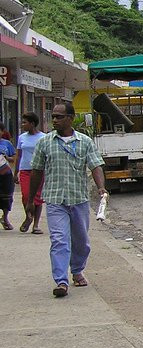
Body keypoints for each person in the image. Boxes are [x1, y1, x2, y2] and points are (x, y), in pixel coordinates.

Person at [28, 103, 107, 298]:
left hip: (79, 199)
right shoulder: (45, 143)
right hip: (55, 200)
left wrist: (101, 187)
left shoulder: (85, 142)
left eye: (59, 116)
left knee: (81, 241)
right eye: (53, 116)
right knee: (59, 240)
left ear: (70, 118)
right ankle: (61, 281)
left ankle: (77, 269)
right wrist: (31, 199)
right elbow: (37, 171)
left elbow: (96, 166)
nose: (54, 119)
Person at [15, 112, 46, 233]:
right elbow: (19, 155)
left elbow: (47, 155)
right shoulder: (22, 137)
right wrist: (16, 172)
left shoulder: (43, 137)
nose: (23, 125)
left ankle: (36, 225)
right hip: (25, 170)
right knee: (26, 196)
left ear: (32, 124)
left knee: (37, 198)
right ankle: (28, 216)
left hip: (38, 170)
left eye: (25, 122)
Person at [0, 133, 14, 230]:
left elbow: (13, 158)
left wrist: (7, 158)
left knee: (7, 197)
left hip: (6, 174)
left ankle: (5, 218)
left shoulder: (7, 144)